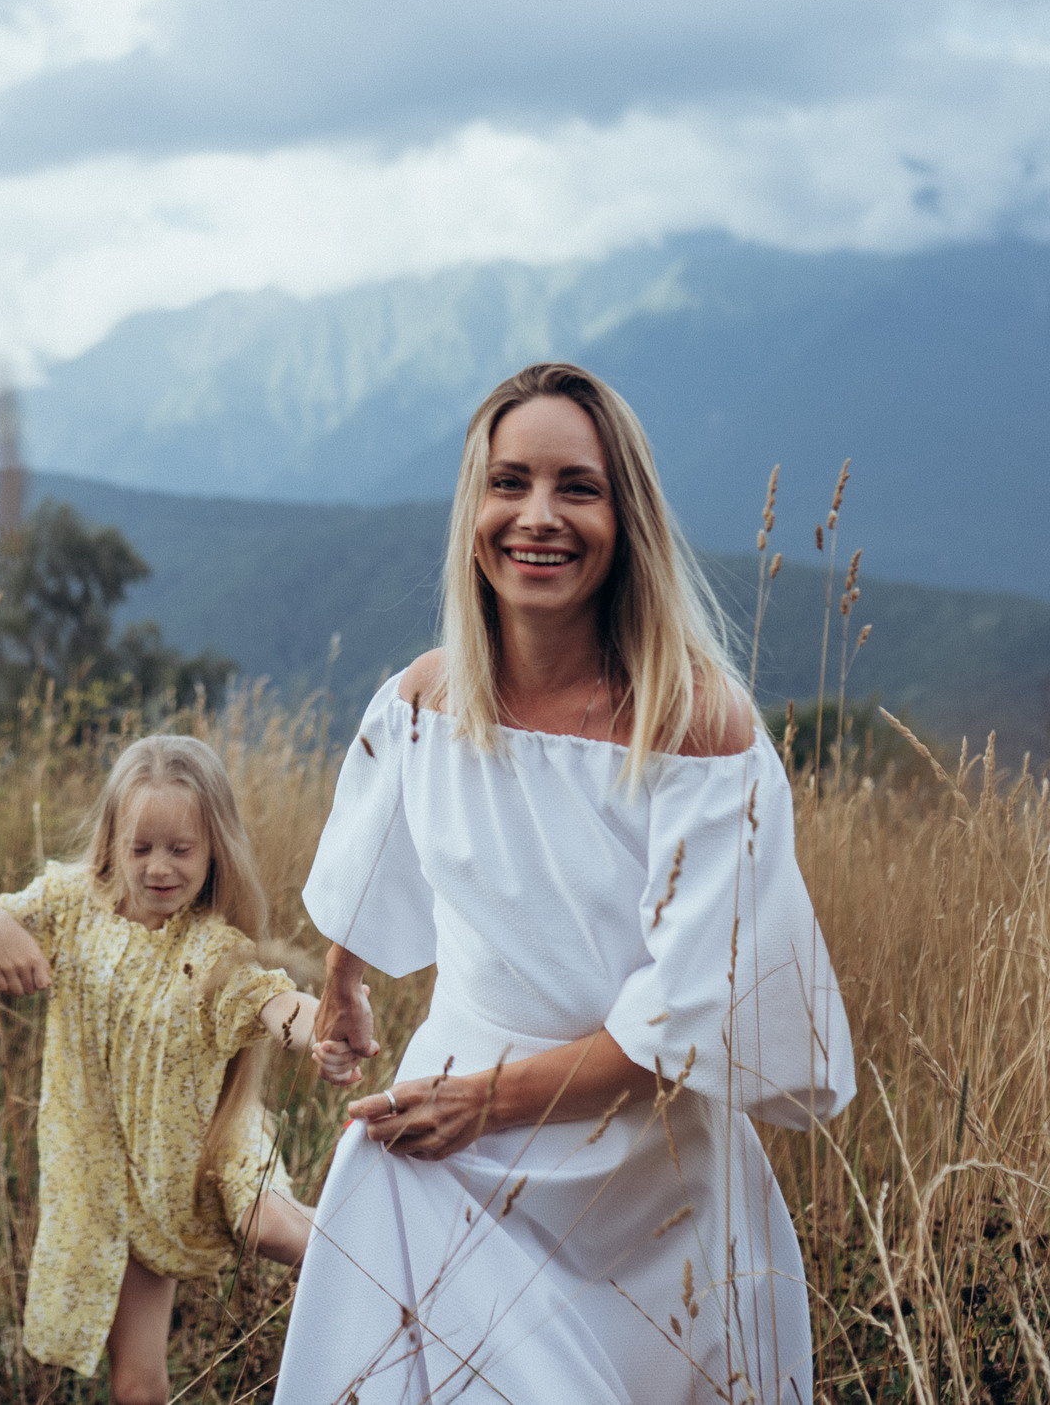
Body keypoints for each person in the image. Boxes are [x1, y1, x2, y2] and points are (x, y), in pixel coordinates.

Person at [274, 362, 855, 1405]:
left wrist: (487, 1102)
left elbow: (686, 1020)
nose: (537, 517)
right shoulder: (422, 702)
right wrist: (343, 981)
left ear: (623, 514)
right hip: (445, 1148)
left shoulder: (698, 728)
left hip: (642, 1175)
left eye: (575, 488)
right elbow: (373, 851)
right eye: (509, 483)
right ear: (472, 507)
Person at [0, 735, 362, 1405]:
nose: (159, 867)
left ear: (214, 846)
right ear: (112, 840)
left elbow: (278, 1004)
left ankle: (395, 1283)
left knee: (269, 1226)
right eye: (141, 848)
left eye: (181, 848)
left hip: (205, 1145)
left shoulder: (211, 947)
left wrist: (324, 1028)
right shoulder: (72, 905)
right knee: (134, 1387)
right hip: (113, 1170)